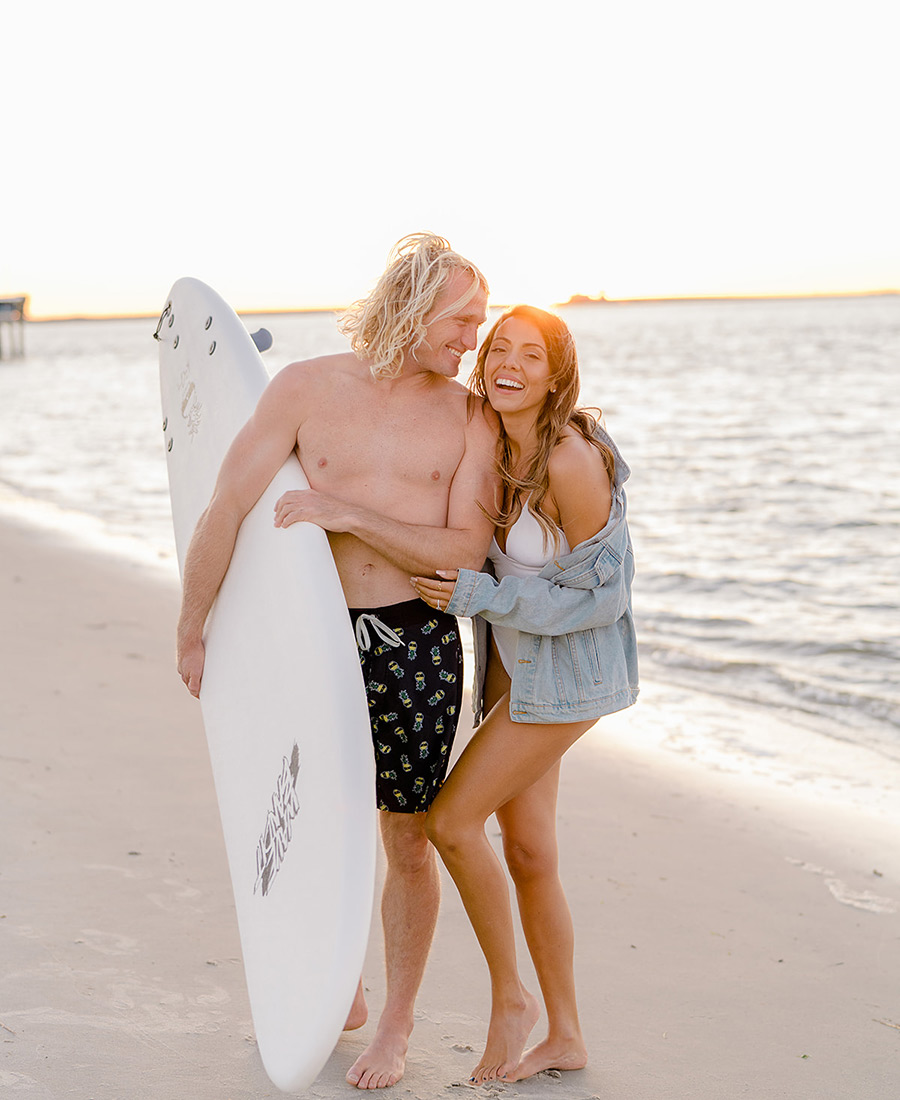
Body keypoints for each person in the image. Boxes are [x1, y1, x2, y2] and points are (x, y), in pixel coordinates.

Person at [175, 234, 499, 1090]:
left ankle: (397, 1021)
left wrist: (346, 515)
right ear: (415, 304)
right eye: (463, 320)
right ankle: (334, 979)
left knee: (407, 834)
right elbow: (226, 506)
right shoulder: (304, 388)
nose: (473, 339)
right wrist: (192, 624)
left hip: (416, 642)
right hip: (308, 640)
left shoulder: (469, 417)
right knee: (310, 809)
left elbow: (465, 550)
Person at [411, 305, 638, 1086]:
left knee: (450, 822)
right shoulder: (493, 441)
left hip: (569, 678)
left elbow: (602, 599)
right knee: (531, 854)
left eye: (530, 355)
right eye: (498, 348)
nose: (508, 363)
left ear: (555, 375)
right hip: (515, 672)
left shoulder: (569, 460)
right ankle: (566, 1037)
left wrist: (479, 595)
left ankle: (512, 1001)